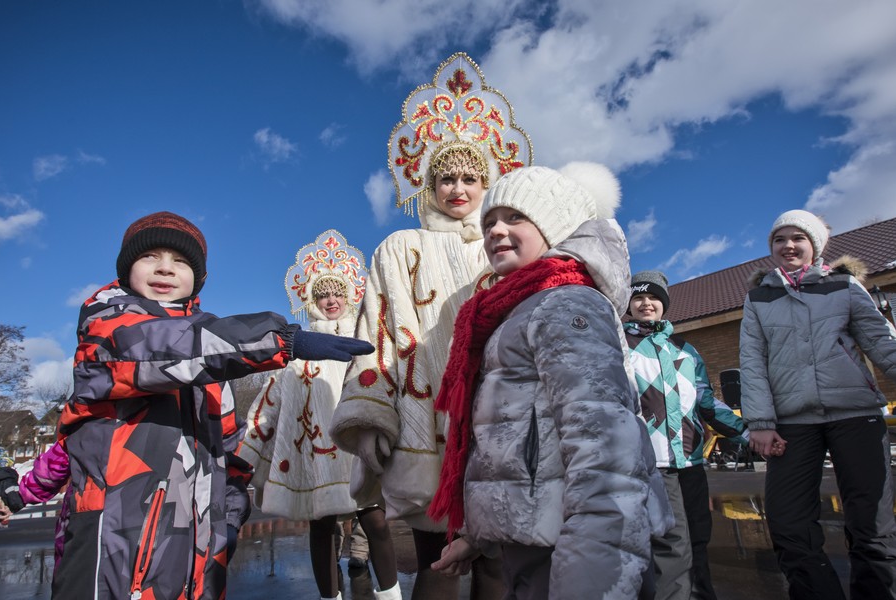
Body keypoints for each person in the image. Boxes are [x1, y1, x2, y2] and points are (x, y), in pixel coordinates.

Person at [41, 211, 373, 600]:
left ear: (199, 278)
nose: (165, 268)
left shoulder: (211, 363)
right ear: (126, 268)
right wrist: (281, 341)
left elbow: (229, 449)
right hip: (114, 547)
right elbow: (162, 347)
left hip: (198, 554)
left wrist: (228, 522)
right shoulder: (107, 327)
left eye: (180, 261)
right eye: (149, 256)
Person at [329, 52, 532, 600]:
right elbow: (376, 337)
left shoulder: (507, 246)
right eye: (446, 178)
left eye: (471, 177)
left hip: (500, 418)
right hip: (426, 420)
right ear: (428, 184)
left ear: (490, 183)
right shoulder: (400, 247)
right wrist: (370, 417)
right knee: (438, 564)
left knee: (497, 563)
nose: (457, 188)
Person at [429, 165, 673, 599]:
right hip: (537, 538)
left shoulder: (565, 304)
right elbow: (520, 442)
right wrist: (478, 536)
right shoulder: (516, 309)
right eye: (489, 222)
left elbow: (603, 445)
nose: (495, 230)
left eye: (515, 217)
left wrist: (593, 570)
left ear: (554, 225)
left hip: (574, 550)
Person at [740, 209, 896, 599]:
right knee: (789, 524)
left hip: (856, 415)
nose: (788, 246)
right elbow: (753, 361)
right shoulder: (759, 298)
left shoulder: (844, 286)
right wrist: (760, 422)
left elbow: (881, 343)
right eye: (779, 239)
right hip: (793, 423)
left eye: (798, 238)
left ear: (815, 245)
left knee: (872, 525)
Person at [238, 229, 400, 600]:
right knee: (322, 530)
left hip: (358, 454)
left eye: (337, 293)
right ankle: (330, 597)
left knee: (376, 522)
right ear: (312, 301)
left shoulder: (366, 344)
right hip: (315, 458)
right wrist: (246, 453)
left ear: (350, 296)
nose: (331, 300)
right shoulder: (298, 352)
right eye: (323, 294)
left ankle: (391, 595)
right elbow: (269, 404)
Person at [625, 270, 750, 600]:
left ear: (664, 304)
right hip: (653, 464)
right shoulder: (621, 347)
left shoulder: (685, 351)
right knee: (673, 545)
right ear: (629, 305)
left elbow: (707, 402)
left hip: (691, 462)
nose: (646, 303)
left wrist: (748, 433)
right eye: (638, 297)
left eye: (653, 297)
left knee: (698, 538)